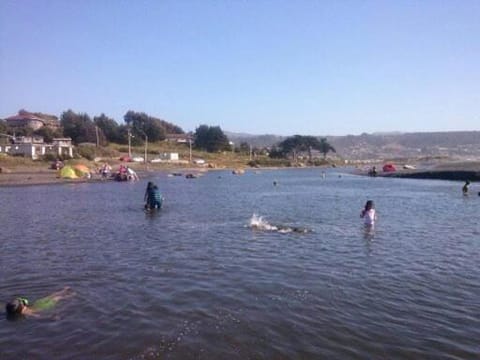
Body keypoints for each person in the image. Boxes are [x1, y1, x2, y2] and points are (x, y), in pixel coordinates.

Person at [5, 287, 74, 319]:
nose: (21, 302)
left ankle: (64, 291)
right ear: (19, 307)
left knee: (51, 296)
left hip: (37, 304)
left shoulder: (22, 309)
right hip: (41, 306)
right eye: (20, 303)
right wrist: (50, 317)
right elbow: (38, 316)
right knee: (55, 297)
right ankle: (69, 295)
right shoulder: (25, 312)